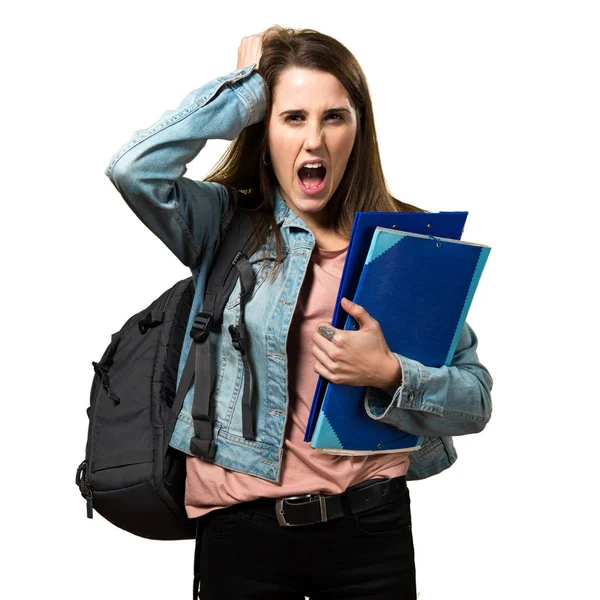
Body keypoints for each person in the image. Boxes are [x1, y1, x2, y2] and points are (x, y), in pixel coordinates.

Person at [105, 25, 493, 600]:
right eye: (292, 117)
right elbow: (133, 169)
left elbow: (475, 402)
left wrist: (389, 374)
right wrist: (242, 91)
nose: (314, 140)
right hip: (241, 532)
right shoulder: (223, 227)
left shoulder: (406, 246)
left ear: (358, 129)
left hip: (370, 526)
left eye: (334, 117)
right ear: (264, 130)